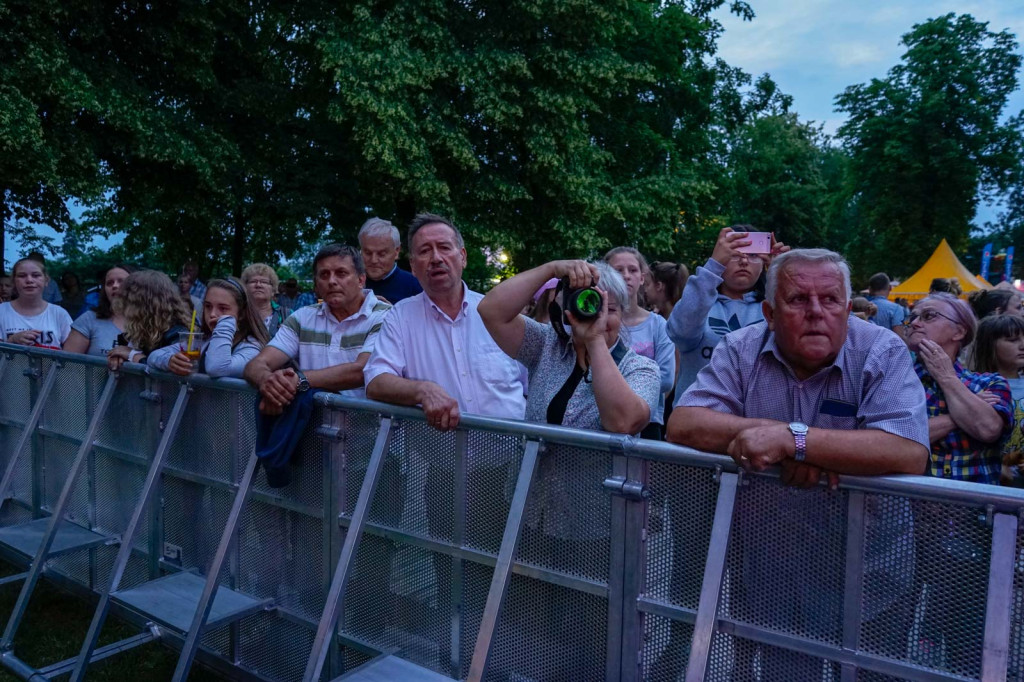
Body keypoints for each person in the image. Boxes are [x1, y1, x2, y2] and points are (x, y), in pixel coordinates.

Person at [669, 248, 929, 679]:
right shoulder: (741, 347)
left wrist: (795, 440)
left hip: (870, 569)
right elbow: (684, 422)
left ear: (848, 310)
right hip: (774, 566)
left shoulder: (881, 350)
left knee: (872, 673)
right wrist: (795, 442)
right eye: (797, 300)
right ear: (769, 312)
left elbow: (907, 450)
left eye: (829, 301)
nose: (815, 313)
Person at [478, 259, 659, 681]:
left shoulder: (640, 368)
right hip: (531, 514)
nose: (599, 314)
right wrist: (553, 269)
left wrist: (595, 344)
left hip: (597, 528)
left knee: (590, 633)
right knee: (529, 624)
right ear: (565, 310)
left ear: (624, 315)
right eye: (590, 303)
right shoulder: (546, 347)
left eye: (611, 308)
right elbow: (491, 311)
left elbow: (623, 421)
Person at [904, 292, 1014, 673]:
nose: (915, 321)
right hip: (902, 531)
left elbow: (987, 427)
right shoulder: (894, 381)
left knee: (966, 643)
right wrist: (958, 416)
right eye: (912, 315)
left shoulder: (990, 382)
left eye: (929, 315)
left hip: (969, 535)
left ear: (960, 331)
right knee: (886, 635)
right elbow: (890, 438)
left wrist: (946, 378)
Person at [245, 244, 391, 413]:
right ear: (316, 284)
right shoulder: (302, 318)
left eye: (341, 273)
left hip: (371, 432)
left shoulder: (386, 316)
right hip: (313, 433)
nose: (332, 281)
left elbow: (363, 370)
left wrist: (299, 381)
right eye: (324, 275)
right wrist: (269, 382)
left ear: (360, 280)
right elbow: (256, 364)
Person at [667, 225, 788, 397]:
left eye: (753, 255)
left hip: (760, 416)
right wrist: (712, 268)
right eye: (734, 254)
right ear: (719, 258)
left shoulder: (775, 307)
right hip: (699, 414)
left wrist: (785, 277)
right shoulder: (700, 304)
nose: (744, 261)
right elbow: (679, 333)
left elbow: (797, 346)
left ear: (764, 262)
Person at [605, 246, 675, 439]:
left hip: (648, 421)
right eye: (618, 271)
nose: (626, 276)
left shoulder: (658, 325)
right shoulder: (599, 323)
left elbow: (667, 378)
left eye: (633, 270)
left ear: (642, 278)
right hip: (605, 417)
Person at [149, 278, 268, 378]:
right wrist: (170, 361)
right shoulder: (204, 340)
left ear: (241, 314)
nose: (212, 314)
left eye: (223, 308)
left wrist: (226, 323)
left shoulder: (252, 347)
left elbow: (216, 368)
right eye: (208, 306)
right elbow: (154, 356)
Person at [970, 314, 1024, 486]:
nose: (1022, 345)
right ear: (990, 346)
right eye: (1013, 340)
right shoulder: (974, 387)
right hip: (987, 480)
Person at [106, 270, 192, 370]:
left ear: (143, 306)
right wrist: (119, 357)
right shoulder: (142, 333)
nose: (124, 307)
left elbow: (179, 370)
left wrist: (135, 356)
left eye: (129, 301)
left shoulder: (176, 334)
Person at [0, 258, 73, 349]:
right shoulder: (2, 311)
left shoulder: (59, 314)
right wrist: (11, 340)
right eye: (22, 276)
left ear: (46, 281)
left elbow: (72, 356)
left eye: (36, 275)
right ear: (14, 281)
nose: (29, 280)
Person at [64, 265, 135, 356]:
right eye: (109, 283)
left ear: (135, 287)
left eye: (121, 281)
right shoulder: (89, 319)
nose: (115, 286)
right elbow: (67, 363)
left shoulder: (149, 321)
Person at [357, 217, 422, 303]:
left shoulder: (415, 286)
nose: (374, 260)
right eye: (368, 253)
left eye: (381, 254)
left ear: (397, 251)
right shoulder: (350, 283)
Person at [241, 263, 291, 338]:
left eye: (264, 282)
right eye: (253, 281)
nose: (258, 285)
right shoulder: (237, 314)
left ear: (273, 290)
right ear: (245, 287)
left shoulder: (288, 315)